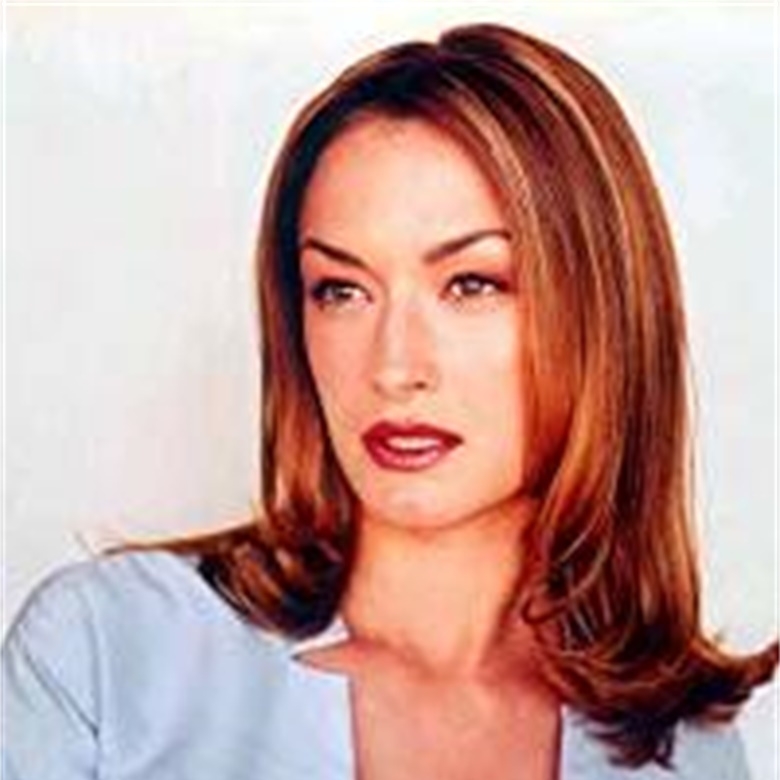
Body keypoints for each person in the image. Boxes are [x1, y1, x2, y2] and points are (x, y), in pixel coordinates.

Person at [2, 21, 776, 780]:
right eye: (341, 291)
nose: (395, 367)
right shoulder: (107, 656)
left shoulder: (682, 751)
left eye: (471, 284)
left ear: (601, 314)